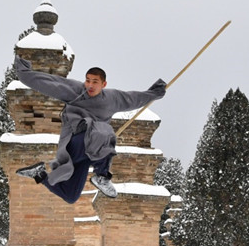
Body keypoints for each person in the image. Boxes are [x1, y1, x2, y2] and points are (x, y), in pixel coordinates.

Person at [13, 55, 166, 203]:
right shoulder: (75, 91)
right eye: (87, 81)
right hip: (75, 141)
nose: (90, 85)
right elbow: (49, 83)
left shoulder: (112, 99)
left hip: (88, 152)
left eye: (95, 82)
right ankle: (102, 176)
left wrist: (155, 93)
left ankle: (39, 174)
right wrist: (23, 73)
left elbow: (133, 99)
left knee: (70, 195)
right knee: (103, 132)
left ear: (103, 84)